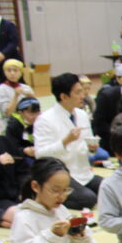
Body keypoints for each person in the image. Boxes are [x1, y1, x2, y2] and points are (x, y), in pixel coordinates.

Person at [34, 73, 102, 210]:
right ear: (64, 97)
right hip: (62, 176)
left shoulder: (82, 115)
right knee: (89, 199)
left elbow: (86, 147)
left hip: (84, 172)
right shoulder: (45, 120)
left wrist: (92, 148)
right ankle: (52, 199)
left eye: (82, 91)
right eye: (78, 92)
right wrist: (65, 142)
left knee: (108, 188)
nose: (83, 96)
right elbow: (40, 155)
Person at [5, 96, 40, 179]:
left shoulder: (41, 120)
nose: (35, 116)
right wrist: (24, 150)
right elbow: (10, 147)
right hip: (21, 155)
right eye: (31, 114)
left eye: (37, 112)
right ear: (21, 112)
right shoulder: (14, 125)